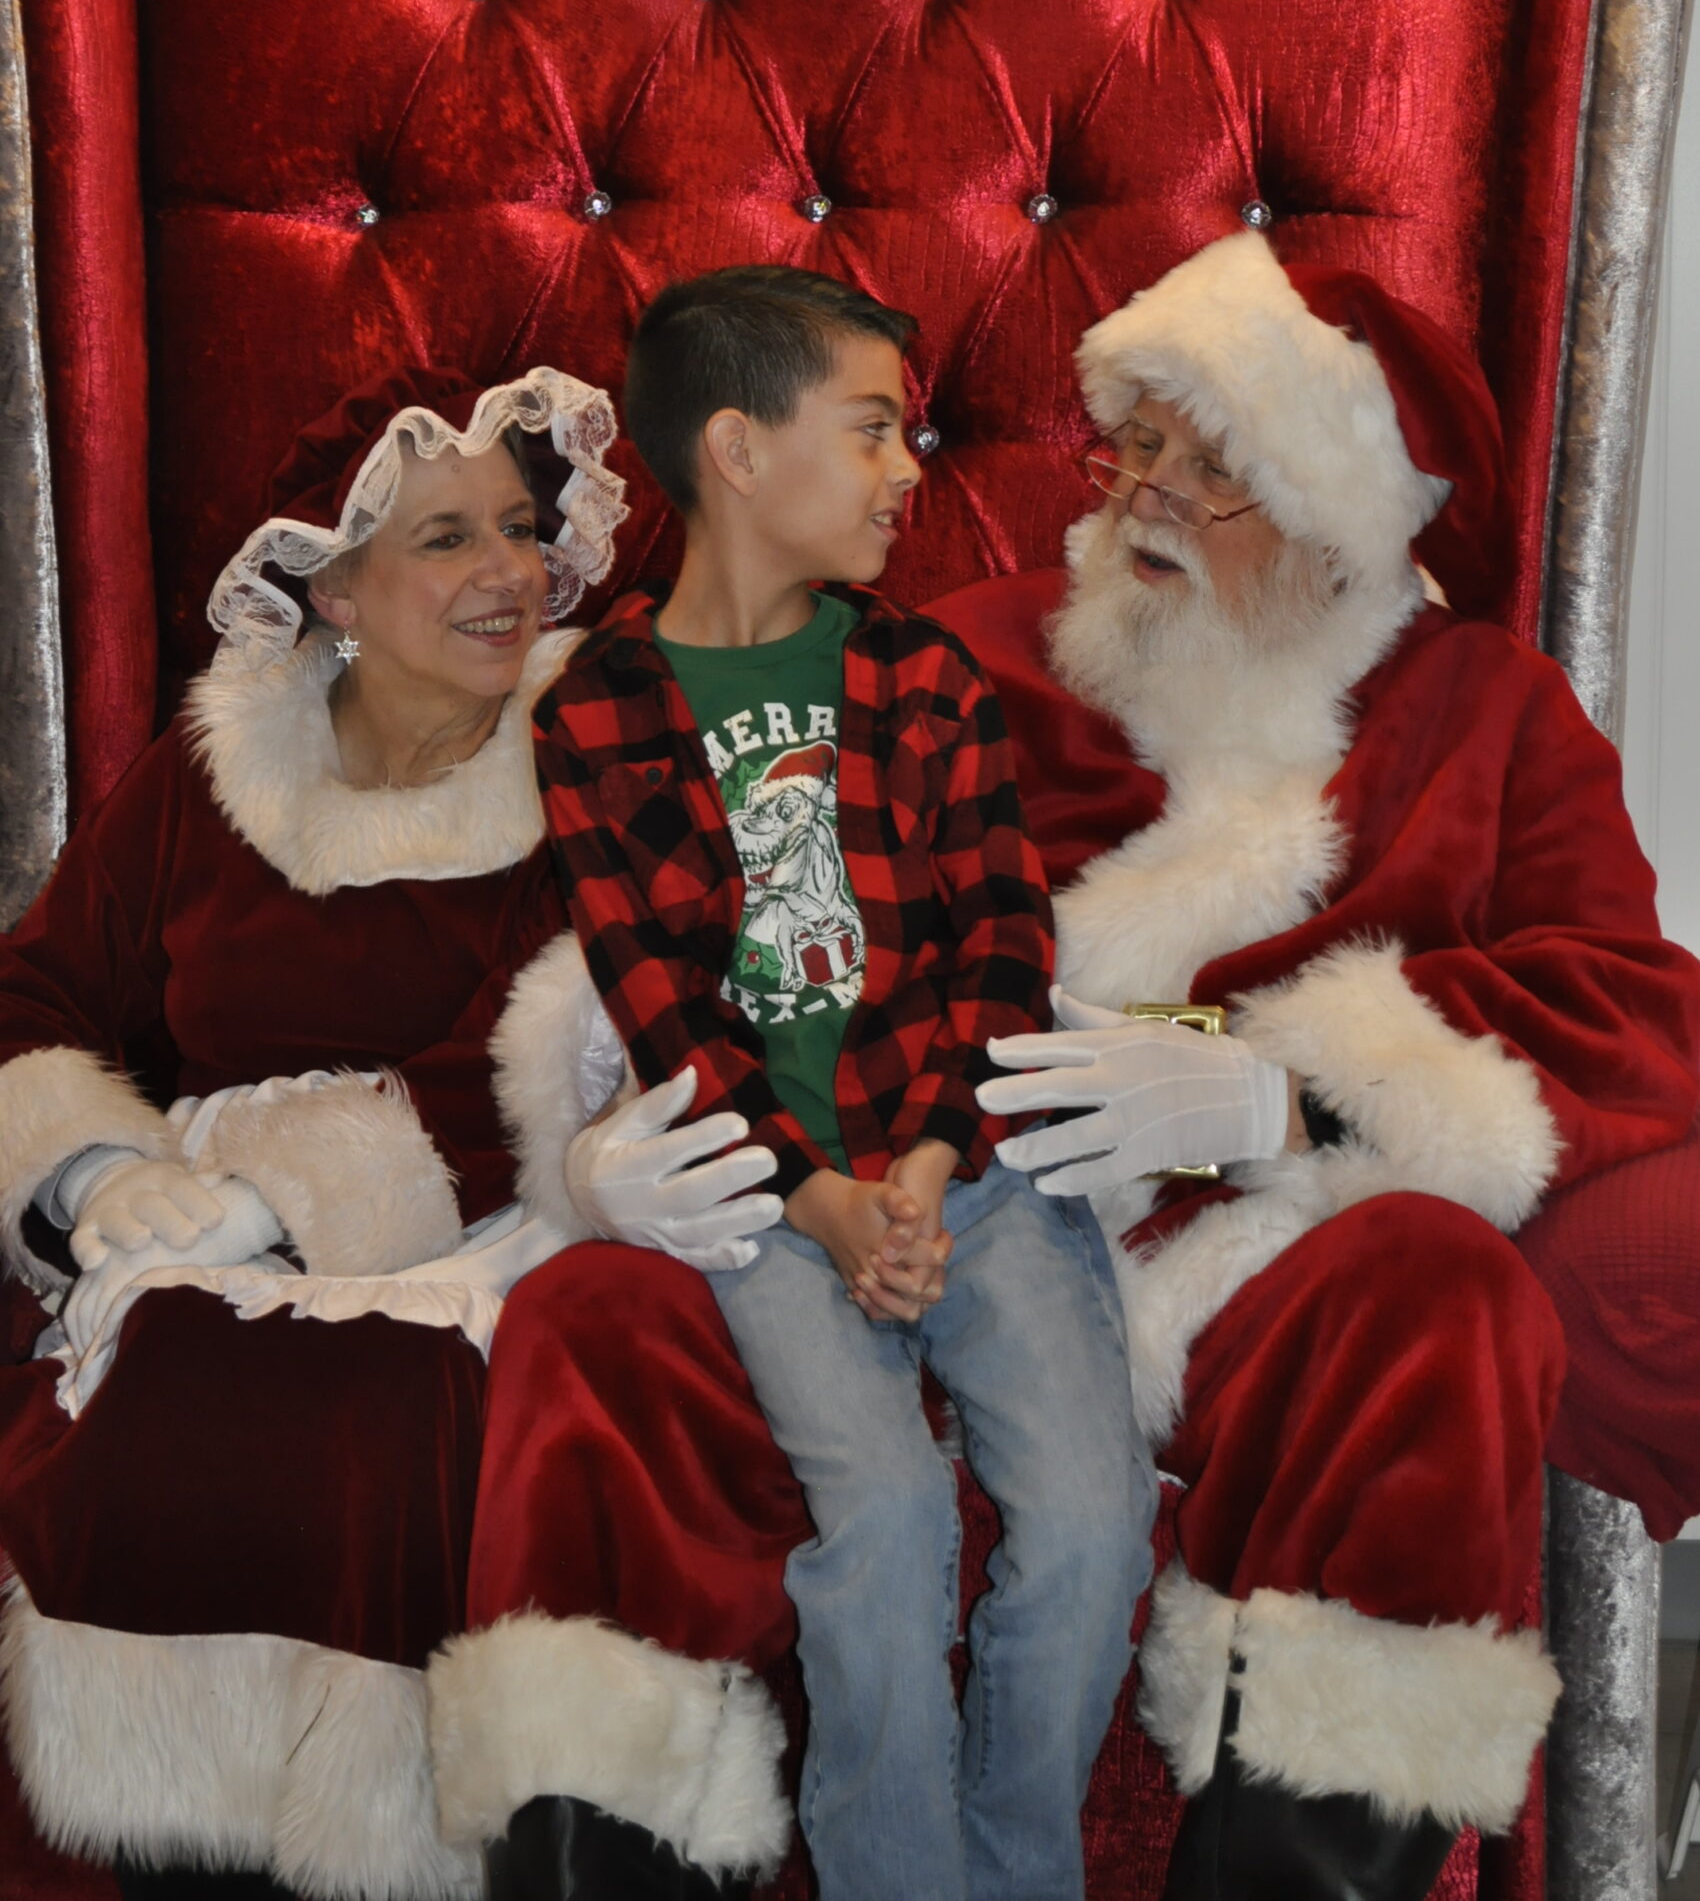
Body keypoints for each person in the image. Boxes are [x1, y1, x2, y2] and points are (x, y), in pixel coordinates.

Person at [924, 229, 1700, 1899]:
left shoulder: (1483, 711)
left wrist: (1284, 1090)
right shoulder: (969, 658)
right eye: (1140, 442)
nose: (1143, 494)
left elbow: (1630, 1002)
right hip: (969, 1224)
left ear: (1340, 529)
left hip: (1264, 1256)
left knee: (1439, 1286)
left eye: (1213, 470)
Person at [0, 365, 796, 1901]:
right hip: (209, 1240)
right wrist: (96, 1174)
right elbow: (35, 992)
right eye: (447, 538)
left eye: (522, 528)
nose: (509, 571)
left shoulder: (606, 741)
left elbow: (579, 1030)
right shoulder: (210, 773)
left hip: (507, 1227)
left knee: (373, 1410)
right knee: (155, 1379)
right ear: (336, 588)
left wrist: (286, 1192)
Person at [529, 265, 1153, 1901]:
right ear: (738, 449)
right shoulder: (597, 710)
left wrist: (930, 1165)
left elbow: (1001, 942)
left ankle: (1017, 1877)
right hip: (765, 1199)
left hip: (972, 1174)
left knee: (1092, 1524)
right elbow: (660, 1000)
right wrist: (818, 1200)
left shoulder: (922, 678)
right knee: (880, 1528)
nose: (904, 470)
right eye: (870, 429)